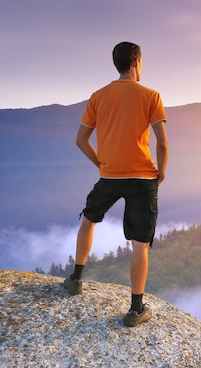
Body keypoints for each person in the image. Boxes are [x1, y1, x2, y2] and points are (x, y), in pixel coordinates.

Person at [63, 41, 169, 328]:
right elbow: (162, 141)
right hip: (143, 178)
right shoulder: (151, 95)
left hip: (109, 176)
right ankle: (135, 310)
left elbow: (80, 140)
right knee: (140, 244)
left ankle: (75, 279)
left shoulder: (98, 96)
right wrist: (161, 172)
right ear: (136, 62)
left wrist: (100, 163)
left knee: (88, 220)